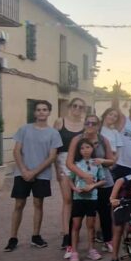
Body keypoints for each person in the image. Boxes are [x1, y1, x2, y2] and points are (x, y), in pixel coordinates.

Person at [4, 101, 62, 252]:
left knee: (38, 204)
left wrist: (34, 172)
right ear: (35, 113)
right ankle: (13, 238)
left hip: (42, 175)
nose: (41, 112)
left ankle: (36, 236)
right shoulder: (24, 129)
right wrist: (24, 170)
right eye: (38, 110)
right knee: (18, 205)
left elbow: (52, 157)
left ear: (49, 112)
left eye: (44, 110)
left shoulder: (53, 133)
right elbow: (17, 151)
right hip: (21, 173)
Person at [67, 114, 116, 255]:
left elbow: (111, 160)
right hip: (82, 182)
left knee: (104, 213)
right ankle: (71, 245)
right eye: (87, 123)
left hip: (102, 181)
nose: (90, 126)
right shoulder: (77, 140)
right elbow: (69, 162)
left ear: (98, 125)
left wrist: (102, 161)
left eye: (93, 124)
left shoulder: (103, 140)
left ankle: (108, 241)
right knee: (77, 214)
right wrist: (84, 176)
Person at [53, 97, 86, 249]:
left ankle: (74, 231)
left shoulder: (86, 125)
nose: (77, 109)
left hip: (79, 163)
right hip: (63, 162)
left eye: (81, 107)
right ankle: (66, 234)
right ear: (69, 107)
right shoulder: (60, 122)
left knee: (78, 198)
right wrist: (56, 168)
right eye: (75, 106)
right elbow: (54, 147)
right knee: (67, 199)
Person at [67, 138, 106, 261]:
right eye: (82, 148)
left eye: (87, 147)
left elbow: (103, 180)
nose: (85, 150)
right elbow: (70, 179)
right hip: (78, 199)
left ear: (92, 148)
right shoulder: (76, 164)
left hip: (92, 198)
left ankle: (91, 250)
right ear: (79, 150)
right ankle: (74, 251)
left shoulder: (97, 163)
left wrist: (93, 186)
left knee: (90, 225)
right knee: (76, 225)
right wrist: (74, 189)